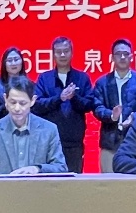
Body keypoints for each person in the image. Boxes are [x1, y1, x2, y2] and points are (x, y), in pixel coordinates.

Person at [0, 77, 68, 175]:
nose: (17, 108)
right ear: (5, 99)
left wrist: (37, 169)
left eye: (22, 103)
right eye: (13, 102)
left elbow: (61, 167)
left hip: (37, 188)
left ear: (32, 101)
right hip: (3, 188)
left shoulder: (49, 130)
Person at [92, 38, 136, 173]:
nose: (122, 57)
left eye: (126, 54)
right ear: (112, 58)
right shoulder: (102, 82)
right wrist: (111, 115)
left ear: (131, 57)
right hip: (110, 143)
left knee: (135, 182)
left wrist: (134, 118)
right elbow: (97, 107)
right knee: (108, 183)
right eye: (118, 54)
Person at [34, 36, 96, 172]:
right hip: (49, 142)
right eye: (58, 52)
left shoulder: (82, 77)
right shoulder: (44, 78)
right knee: (49, 179)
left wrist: (74, 97)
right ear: (53, 54)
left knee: (74, 180)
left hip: (75, 142)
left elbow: (90, 104)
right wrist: (59, 98)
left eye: (66, 51)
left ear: (72, 53)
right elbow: (37, 105)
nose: (62, 55)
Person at [0, 47, 26, 123]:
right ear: (4, 64)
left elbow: (36, 109)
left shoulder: (29, 85)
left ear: (22, 62)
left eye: (16, 59)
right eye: (9, 60)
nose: (13, 63)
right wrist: (6, 107)